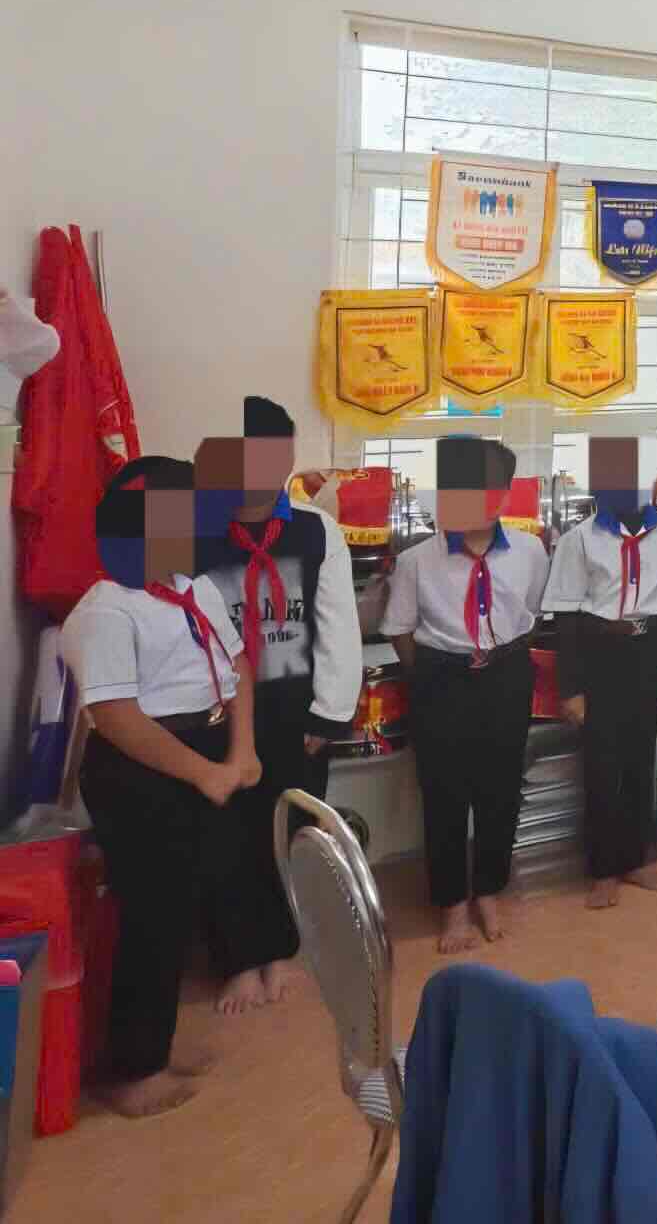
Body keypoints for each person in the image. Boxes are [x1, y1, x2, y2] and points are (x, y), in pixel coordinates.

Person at [62, 456, 257, 1117]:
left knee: (178, 908)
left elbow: (238, 666)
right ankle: (132, 1071)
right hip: (141, 771)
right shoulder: (107, 609)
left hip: (200, 751)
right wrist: (206, 772)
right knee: (149, 916)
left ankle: (154, 1045)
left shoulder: (190, 587)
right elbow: (116, 719)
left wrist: (242, 748)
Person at [191, 397, 359, 1014]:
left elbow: (336, 624)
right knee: (223, 834)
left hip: (295, 713)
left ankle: (283, 949)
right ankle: (237, 959)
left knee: (290, 833)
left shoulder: (316, 529)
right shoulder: (192, 529)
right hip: (215, 715)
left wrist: (328, 714)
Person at [381, 436, 549, 955]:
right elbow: (401, 629)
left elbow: (532, 611)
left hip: (506, 675)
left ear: (499, 497)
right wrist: (435, 673)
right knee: (445, 796)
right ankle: (452, 906)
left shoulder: (529, 550)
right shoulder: (415, 562)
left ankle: (490, 891)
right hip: (441, 679)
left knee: (501, 791)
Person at [542, 436, 657, 911]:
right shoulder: (578, 540)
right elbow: (565, 617)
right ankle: (602, 868)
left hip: (649, 654)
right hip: (601, 653)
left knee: (640, 759)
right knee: (601, 764)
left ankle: (635, 858)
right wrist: (572, 688)